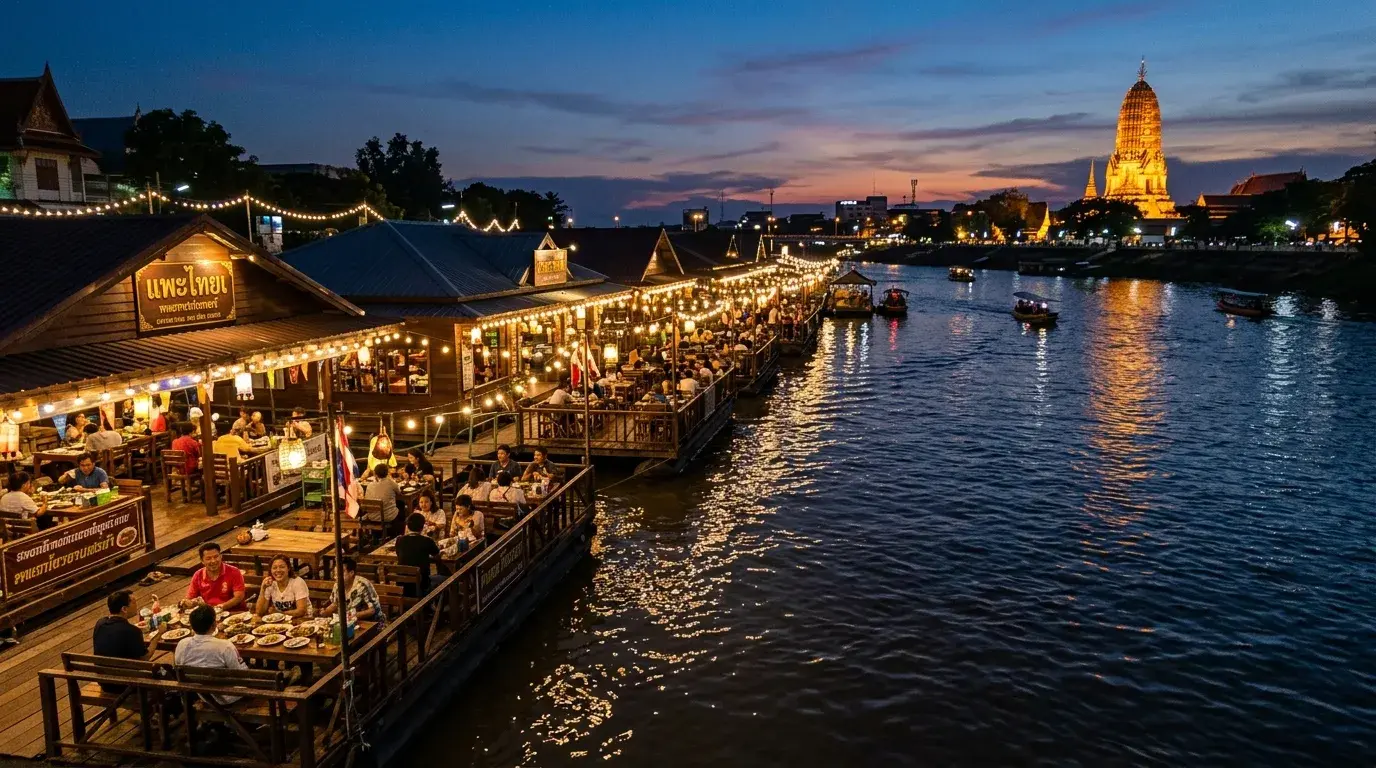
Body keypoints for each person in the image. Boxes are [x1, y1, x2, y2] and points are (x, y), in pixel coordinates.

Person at [173, 605, 247, 703]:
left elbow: (179, 667)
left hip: (203, 696)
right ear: (214, 625)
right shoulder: (225, 646)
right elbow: (239, 674)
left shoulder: (182, 644)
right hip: (229, 696)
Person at [92, 589, 150, 689]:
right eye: (133, 602)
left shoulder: (100, 623)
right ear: (124, 609)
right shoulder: (132, 631)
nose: (136, 605)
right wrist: (158, 635)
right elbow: (144, 659)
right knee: (164, 671)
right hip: (127, 686)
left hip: (104, 682)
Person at [394, 513, 449, 596]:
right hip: (422, 585)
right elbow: (437, 556)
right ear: (422, 527)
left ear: (407, 526)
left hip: (402, 586)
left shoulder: (399, 540)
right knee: (446, 579)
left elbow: (399, 554)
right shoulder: (427, 541)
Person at [321, 557, 384, 627]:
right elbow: (335, 604)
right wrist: (325, 612)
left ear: (351, 573)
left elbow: (372, 610)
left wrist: (354, 615)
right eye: (335, 574)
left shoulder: (362, 585)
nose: (336, 577)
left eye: (340, 573)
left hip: (372, 623)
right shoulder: (337, 585)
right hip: (350, 623)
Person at [182, 542, 246, 609]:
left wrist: (221, 607)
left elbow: (239, 597)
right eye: (208, 558)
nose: (213, 561)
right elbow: (190, 598)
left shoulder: (234, 571)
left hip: (233, 611)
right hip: (209, 612)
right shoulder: (198, 575)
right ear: (202, 561)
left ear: (221, 556)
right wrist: (187, 603)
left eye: (216, 557)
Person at [253, 555, 311, 619]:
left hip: (302, 619)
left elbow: (301, 611)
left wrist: (279, 613)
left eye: (282, 567)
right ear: (271, 570)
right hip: (280, 620)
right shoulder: (270, 583)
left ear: (288, 568)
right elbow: (259, 612)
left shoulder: (298, 582)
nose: (278, 570)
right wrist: (263, 589)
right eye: (274, 568)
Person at [362, 463, 404, 528]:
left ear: (375, 474)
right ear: (387, 472)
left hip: (372, 516)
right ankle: (399, 531)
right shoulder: (390, 482)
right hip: (387, 517)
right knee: (401, 506)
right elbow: (399, 492)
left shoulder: (370, 485)